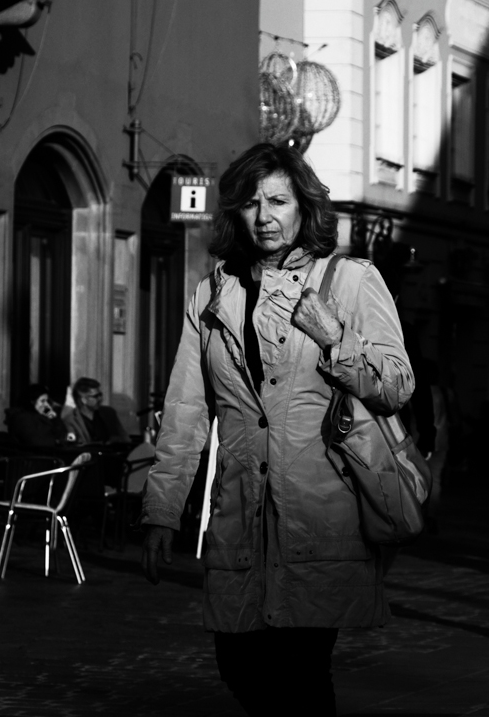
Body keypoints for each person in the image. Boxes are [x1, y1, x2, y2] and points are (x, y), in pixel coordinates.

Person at [140, 143, 413, 715]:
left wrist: (336, 337)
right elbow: (187, 409)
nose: (264, 215)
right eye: (250, 202)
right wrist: (163, 509)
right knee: (239, 669)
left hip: (319, 518)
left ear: (303, 206)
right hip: (240, 517)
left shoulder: (351, 280)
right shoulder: (213, 292)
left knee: (301, 680)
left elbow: (396, 384)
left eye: (277, 200)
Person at [62, 377, 129, 446]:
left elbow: (124, 439)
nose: (100, 399)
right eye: (96, 396)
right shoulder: (70, 419)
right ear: (83, 400)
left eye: (100, 395)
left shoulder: (109, 413)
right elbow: (73, 446)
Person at [4, 384, 70, 449]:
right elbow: (39, 443)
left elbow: (65, 436)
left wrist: (54, 419)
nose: (46, 405)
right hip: (35, 457)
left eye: (47, 401)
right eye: (42, 401)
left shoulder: (42, 416)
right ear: (32, 401)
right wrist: (56, 440)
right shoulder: (22, 419)